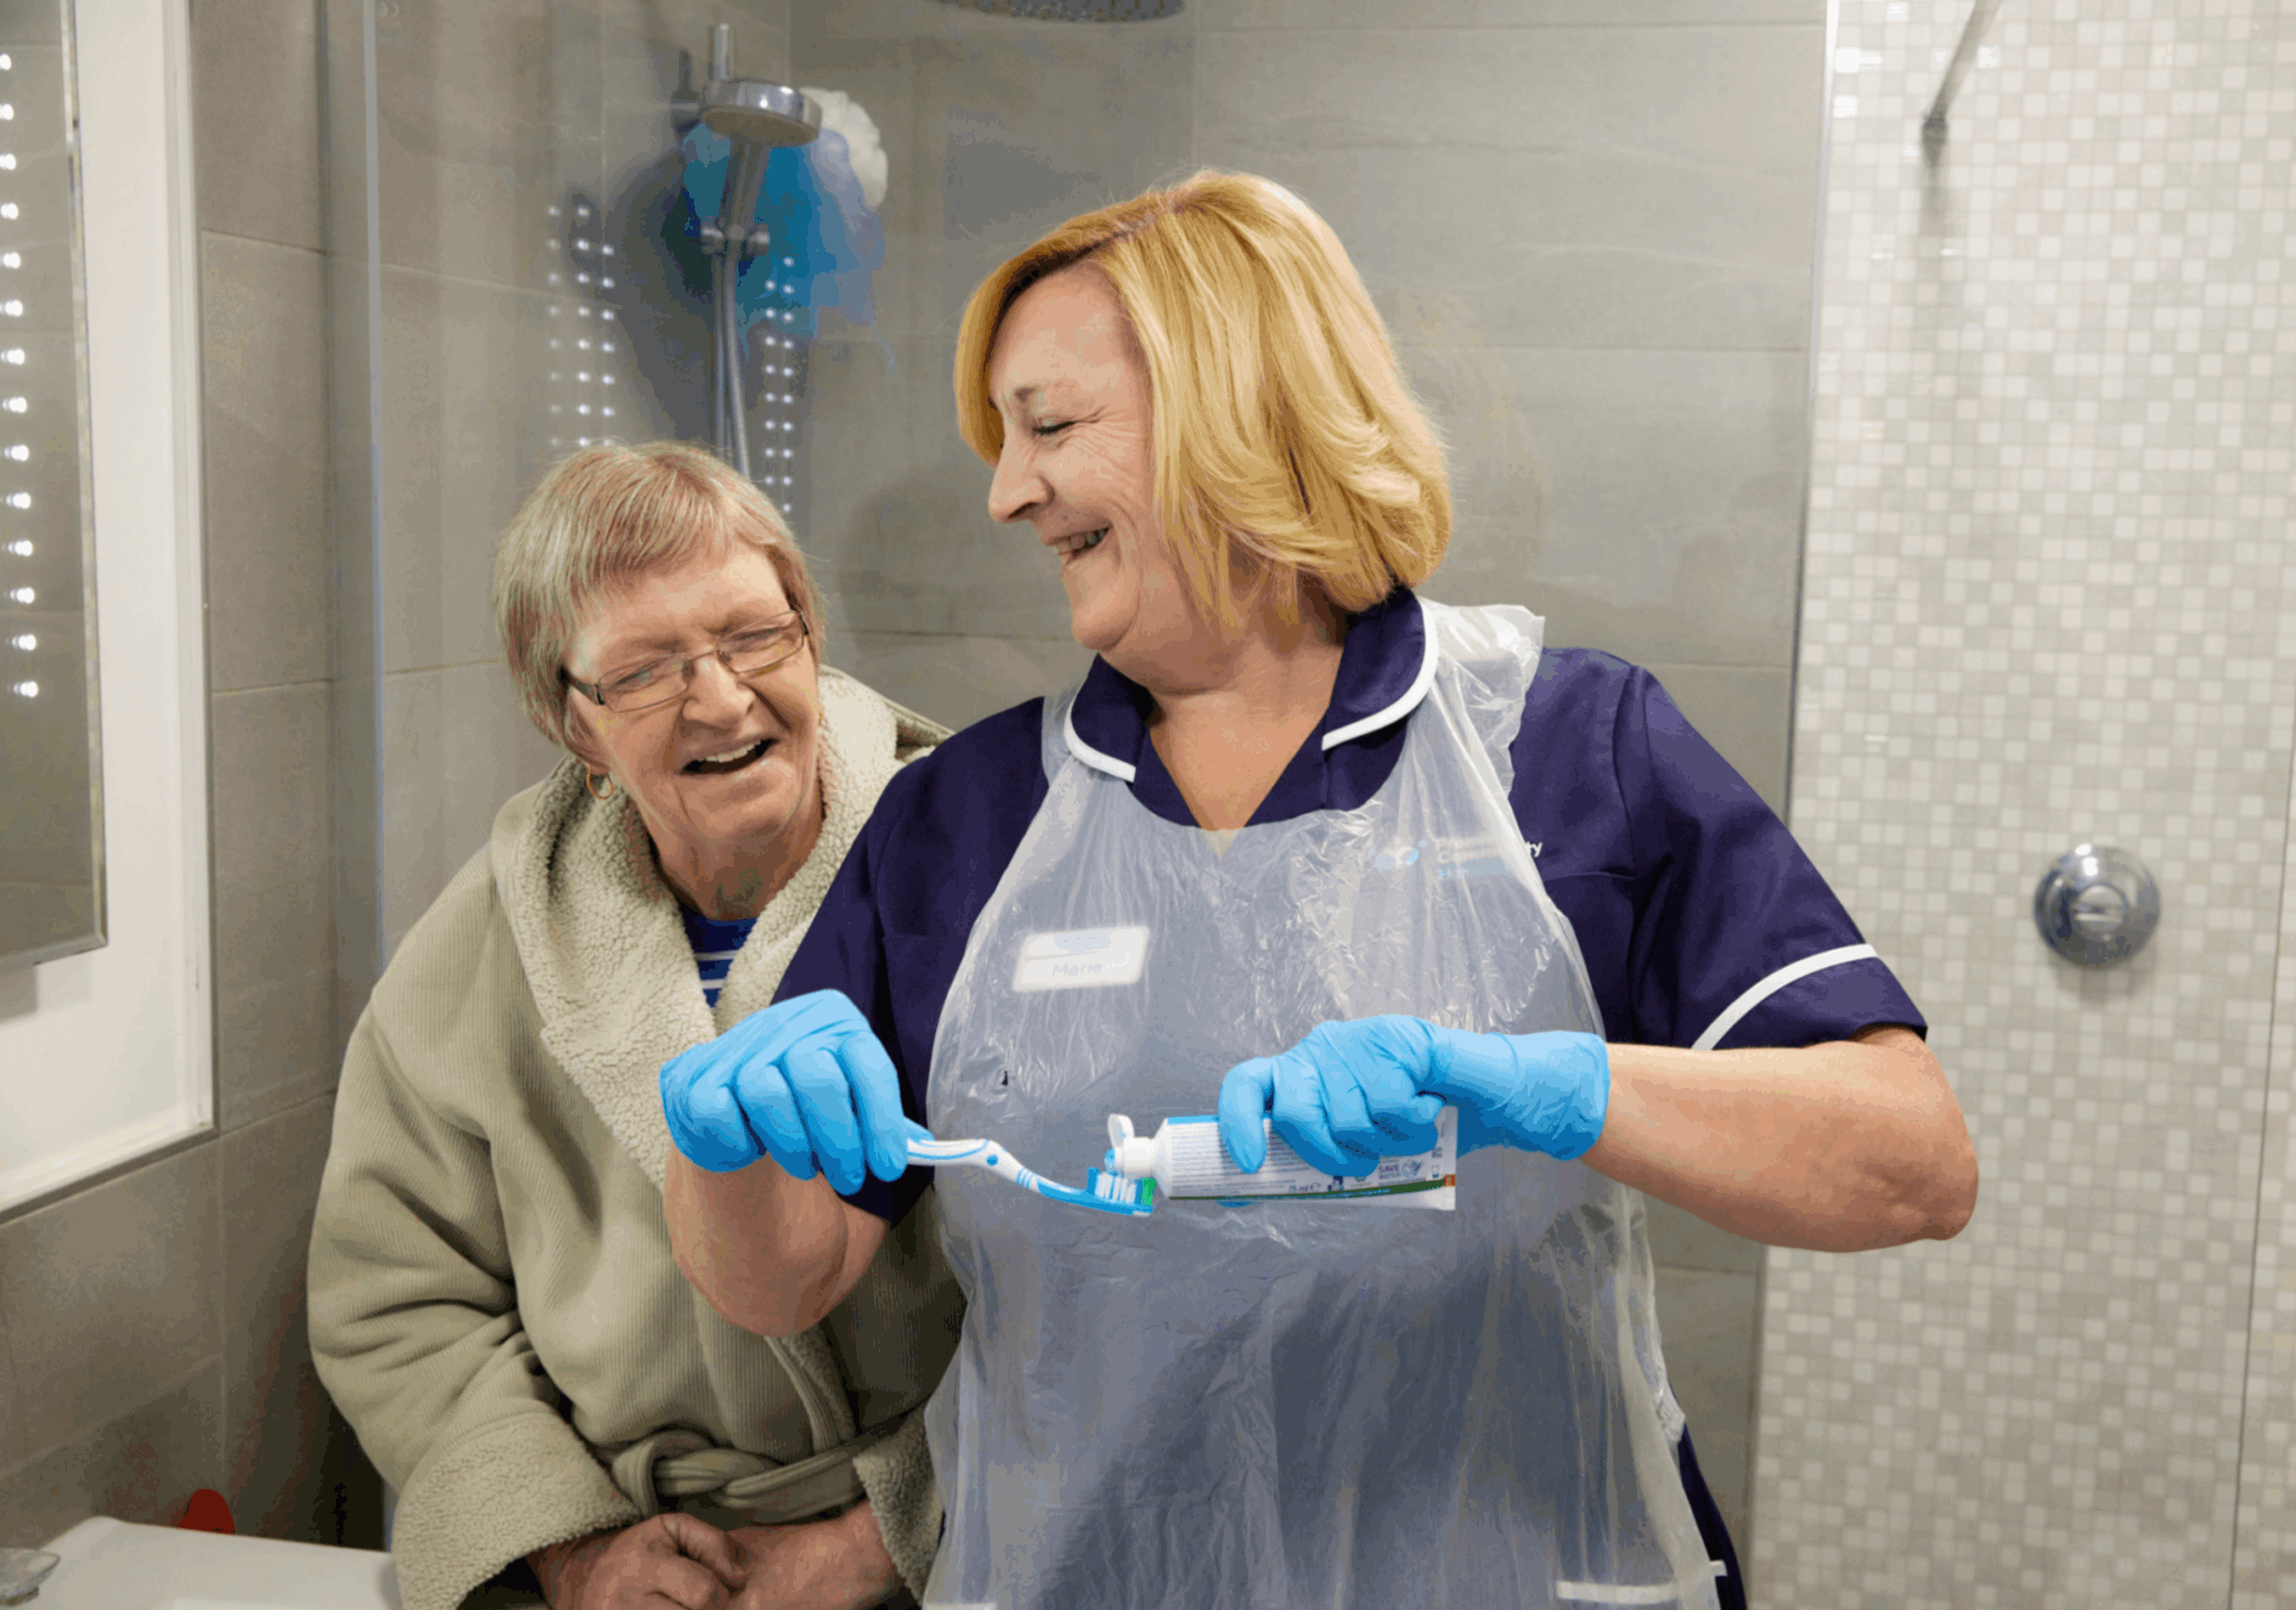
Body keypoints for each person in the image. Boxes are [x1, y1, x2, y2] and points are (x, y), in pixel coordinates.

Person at [653, 173, 1980, 1609]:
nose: (1005, 491)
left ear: (1237, 404)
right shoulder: (961, 819)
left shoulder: (1565, 747)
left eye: (1050, 425)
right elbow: (778, 1284)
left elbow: (1914, 1160)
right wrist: (723, 1141)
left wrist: (1554, 1084)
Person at [307, 441, 964, 1610]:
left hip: (954, 1541)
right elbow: (399, 1294)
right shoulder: (488, 939)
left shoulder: (970, 859)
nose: (720, 698)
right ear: (575, 726)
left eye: (753, 636)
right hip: (631, 1541)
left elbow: (1101, 1287)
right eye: (647, 671)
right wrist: (573, 1549)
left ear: (809, 633)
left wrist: (882, 1535)